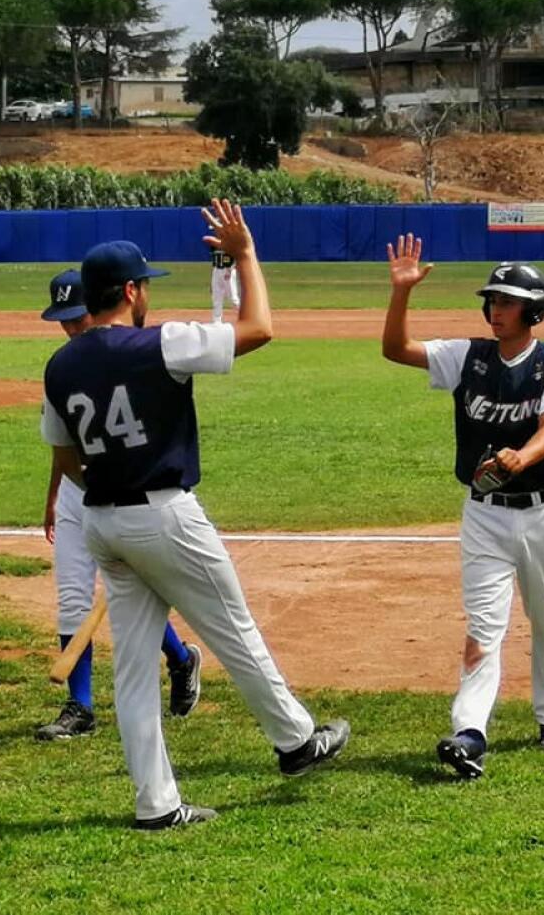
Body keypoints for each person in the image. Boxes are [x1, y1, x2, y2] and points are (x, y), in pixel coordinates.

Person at [40, 201, 349, 830]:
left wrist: (112, 480)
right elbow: (259, 327)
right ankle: (295, 742)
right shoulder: (162, 342)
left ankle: (156, 805)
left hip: (102, 521)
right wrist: (245, 254)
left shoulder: (60, 363)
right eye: (144, 285)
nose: (148, 293)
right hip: (164, 515)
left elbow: (66, 457)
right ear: (129, 291)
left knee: (132, 671)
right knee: (233, 629)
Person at [382, 234, 544, 779]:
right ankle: (469, 733)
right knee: (483, 627)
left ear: (533, 310)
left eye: (506, 300)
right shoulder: (467, 356)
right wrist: (401, 293)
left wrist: (520, 458)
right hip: (484, 516)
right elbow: (396, 350)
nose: (495, 308)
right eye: (491, 300)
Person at [37, 269, 203, 741]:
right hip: (78, 493)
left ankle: (180, 658)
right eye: (63, 321)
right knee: (73, 595)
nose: (71, 328)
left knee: (141, 589)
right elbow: (63, 445)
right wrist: (54, 495)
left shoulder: (133, 355)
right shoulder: (64, 364)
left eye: (77, 317)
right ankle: (80, 708)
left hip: (128, 488)